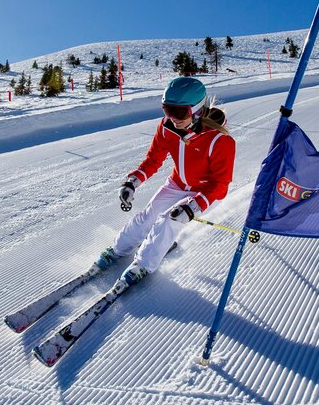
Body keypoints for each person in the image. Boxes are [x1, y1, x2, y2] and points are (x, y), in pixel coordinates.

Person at [94, 76, 235, 287]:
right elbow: (153, 159)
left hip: (204, 192)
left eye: (179, 112)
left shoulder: (220, 140)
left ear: (196, 111)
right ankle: (117, 250)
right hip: (177, 184)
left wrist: (193, 207)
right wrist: (132, 182)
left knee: (170, 220)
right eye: (167, 110)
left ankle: (143, 265)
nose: (172, 118)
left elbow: (220, 184)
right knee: (149, 215)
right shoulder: (166, 127)